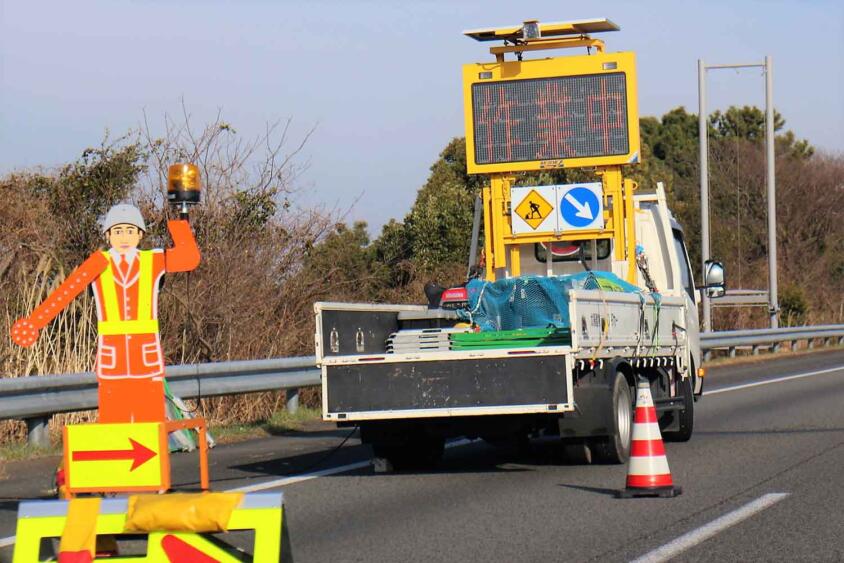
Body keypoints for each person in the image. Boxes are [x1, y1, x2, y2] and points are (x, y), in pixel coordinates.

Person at [10, 203, 200, 423]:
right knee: (114, 417)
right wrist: (34, 323)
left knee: (149, 418)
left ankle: (148, 455)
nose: (124, 237)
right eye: (118, 231)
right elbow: (67, 291)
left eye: (130, 231)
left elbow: (189, 258)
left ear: (140, 234)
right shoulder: (98, 262)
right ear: (108, 235)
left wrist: (180, 218)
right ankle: (119, 455)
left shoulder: (153, 260)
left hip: (145, 355)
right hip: (113, 356)